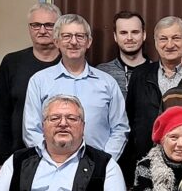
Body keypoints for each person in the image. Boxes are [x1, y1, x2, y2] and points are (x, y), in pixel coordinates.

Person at [23, 13, 129, 160]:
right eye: (66, 36)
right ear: (56, 41)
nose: (73, 42)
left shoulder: (107, 82)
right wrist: (50, 161)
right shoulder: (39, 81)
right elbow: (31, 130)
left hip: (97, 170)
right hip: (53, 167)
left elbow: (120, 128)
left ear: (89, 41)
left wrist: (104, 162)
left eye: (80, 36)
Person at [122, 16, 182, 180]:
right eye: (163, 39)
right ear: (155, 42)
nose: (169, 44)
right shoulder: (139, 75)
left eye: (176, 38)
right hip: (146, 166)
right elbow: (129, 123)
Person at [0, 2, 61, 163]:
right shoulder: (12, 62)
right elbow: (1, 114)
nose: (42, 30)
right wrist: (1, 160)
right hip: (19, 154)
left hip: (64, 153)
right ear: (29, 28)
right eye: (36, 25)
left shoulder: (71, 63)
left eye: (49, 25)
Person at [96, 10, 149, 96]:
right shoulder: (101, 72)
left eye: (135, 32)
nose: (129, 38)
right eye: (123, 33)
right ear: (115, 37)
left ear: (144, 35)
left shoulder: (157, 71)